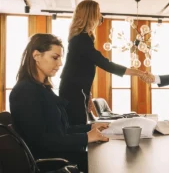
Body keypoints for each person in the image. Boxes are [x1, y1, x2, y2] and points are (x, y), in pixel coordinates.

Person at [10, 33, 110, 172]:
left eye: (60, 58)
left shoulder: (43, 88)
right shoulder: (24, 92)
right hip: (54, 162)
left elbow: (63, 129)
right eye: (55, 57)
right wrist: (86, 137)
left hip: (63, 155)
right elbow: (41, 142)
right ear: (36, 56)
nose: (60, 63)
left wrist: (92, 127)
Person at [59, 0, 143, 126]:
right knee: (77, 127)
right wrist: (138, 72)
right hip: (72, 91)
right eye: (98, 12)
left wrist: (88, 95)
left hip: (76, 89)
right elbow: (105, 64)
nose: (100, 15)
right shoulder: (81, 40)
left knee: (79, 125)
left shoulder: (84, 38)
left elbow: (82, 69)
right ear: (91, 14)